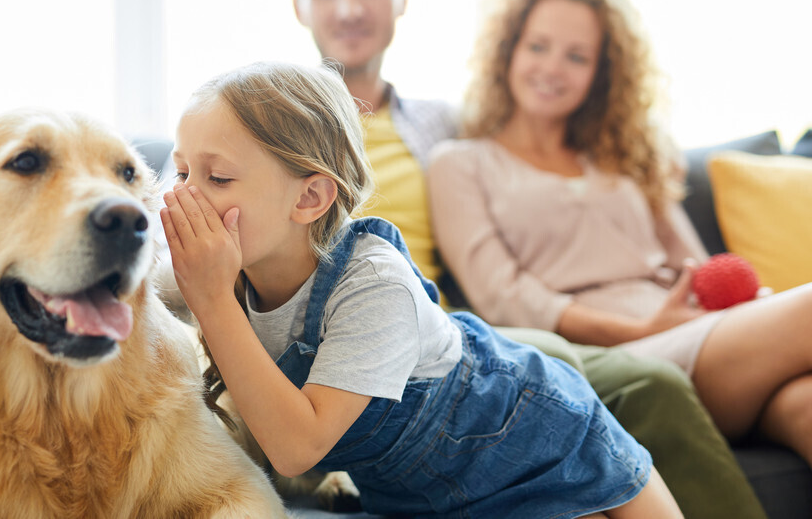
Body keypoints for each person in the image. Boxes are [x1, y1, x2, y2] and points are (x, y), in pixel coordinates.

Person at [286, 0, 767, 518]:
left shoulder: (441, 125)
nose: (350, 7)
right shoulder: (276, 126)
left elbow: (521, 144)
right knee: (606, 374)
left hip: (451, 334)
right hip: (364, 341)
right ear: (299, 5)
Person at [161, 60, 681, 518]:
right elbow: (129, 303)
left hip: (534, 436)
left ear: (309, 198)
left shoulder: (374, 285)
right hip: (417, 494)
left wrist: (213, 300)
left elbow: (297, 449)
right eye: (181, 172)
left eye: (218, 178)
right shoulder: (215, 270)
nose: (184, 197)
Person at [427, 0, 812, 468]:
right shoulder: (460, 163)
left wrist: (747, 309)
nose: (552, 68)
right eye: (538, 46)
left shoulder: (624, 158)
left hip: (697, 336)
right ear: (508, 51)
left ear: (601, 73)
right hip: (616, 357)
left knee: (805, 404)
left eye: (577, 56)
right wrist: (642, 330)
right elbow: (504, 297)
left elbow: (695, 267)